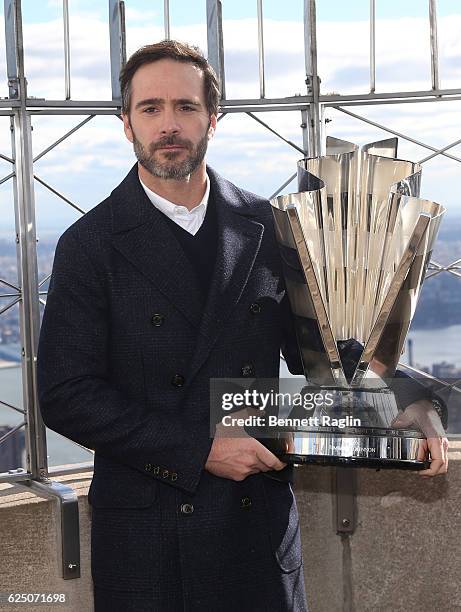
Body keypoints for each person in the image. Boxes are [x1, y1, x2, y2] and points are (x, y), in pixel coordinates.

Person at [37, 40, 448, 612]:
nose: (169, 125)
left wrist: (404, 398)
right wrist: (200, 448)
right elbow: (66, 395)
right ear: (126, 124)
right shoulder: (89, 245)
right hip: (149, 538)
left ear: (214, 118)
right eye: (150, 109)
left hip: (256, 531)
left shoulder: (269, 225)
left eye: (186, 106)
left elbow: (320, 352)